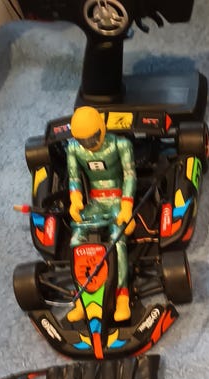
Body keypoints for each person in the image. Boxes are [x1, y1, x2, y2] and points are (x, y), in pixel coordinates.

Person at [66, 106, 137, 322]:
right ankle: (81, 299)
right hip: (94, 202)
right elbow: (74, 177)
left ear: (101, 128)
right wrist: (75, 199)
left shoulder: (120, 144)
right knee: (76, 240)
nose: (89, 144)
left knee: (118, 240)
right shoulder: (73, 148)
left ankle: (122, 298)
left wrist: (127, 206)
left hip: (117, 199)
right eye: (84, 141)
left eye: (93, 138)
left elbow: (130, 175)